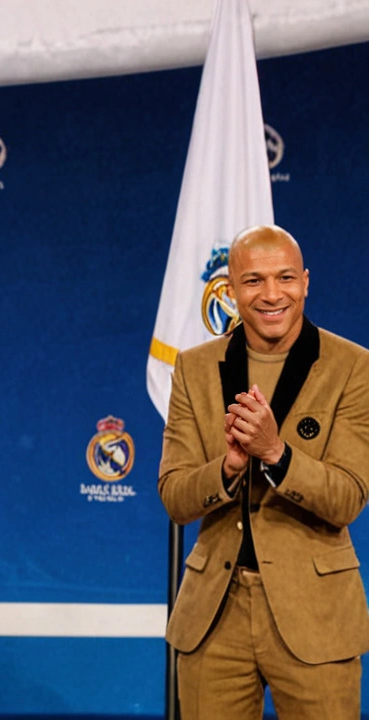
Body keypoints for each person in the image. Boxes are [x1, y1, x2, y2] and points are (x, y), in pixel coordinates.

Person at [159, 224, 369, 719]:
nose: (272, 294)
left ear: (307, 282)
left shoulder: (352, 367)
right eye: (253, 281)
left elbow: (348, 497)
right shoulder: (193, 367)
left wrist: (277, 453)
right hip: (214, 617)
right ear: (229, 289)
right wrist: (228, 468)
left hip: (315, 615)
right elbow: (175, 496)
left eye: (286, 278)